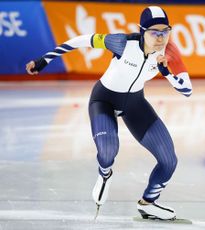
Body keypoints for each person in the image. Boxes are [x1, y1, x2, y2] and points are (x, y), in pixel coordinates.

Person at [26, 6, 192, 220]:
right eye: (154, 32)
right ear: (142, 31)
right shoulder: (123, 43)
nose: (161, 38)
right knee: (108, 152)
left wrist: (167, 73)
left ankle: (148, 203)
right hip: (104, 100)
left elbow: (187, 90)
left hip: (135, 104)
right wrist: (45, 59)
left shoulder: (170, 52)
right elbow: (83, 40)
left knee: (169, 160)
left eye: (165, 31)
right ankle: (105, 174)